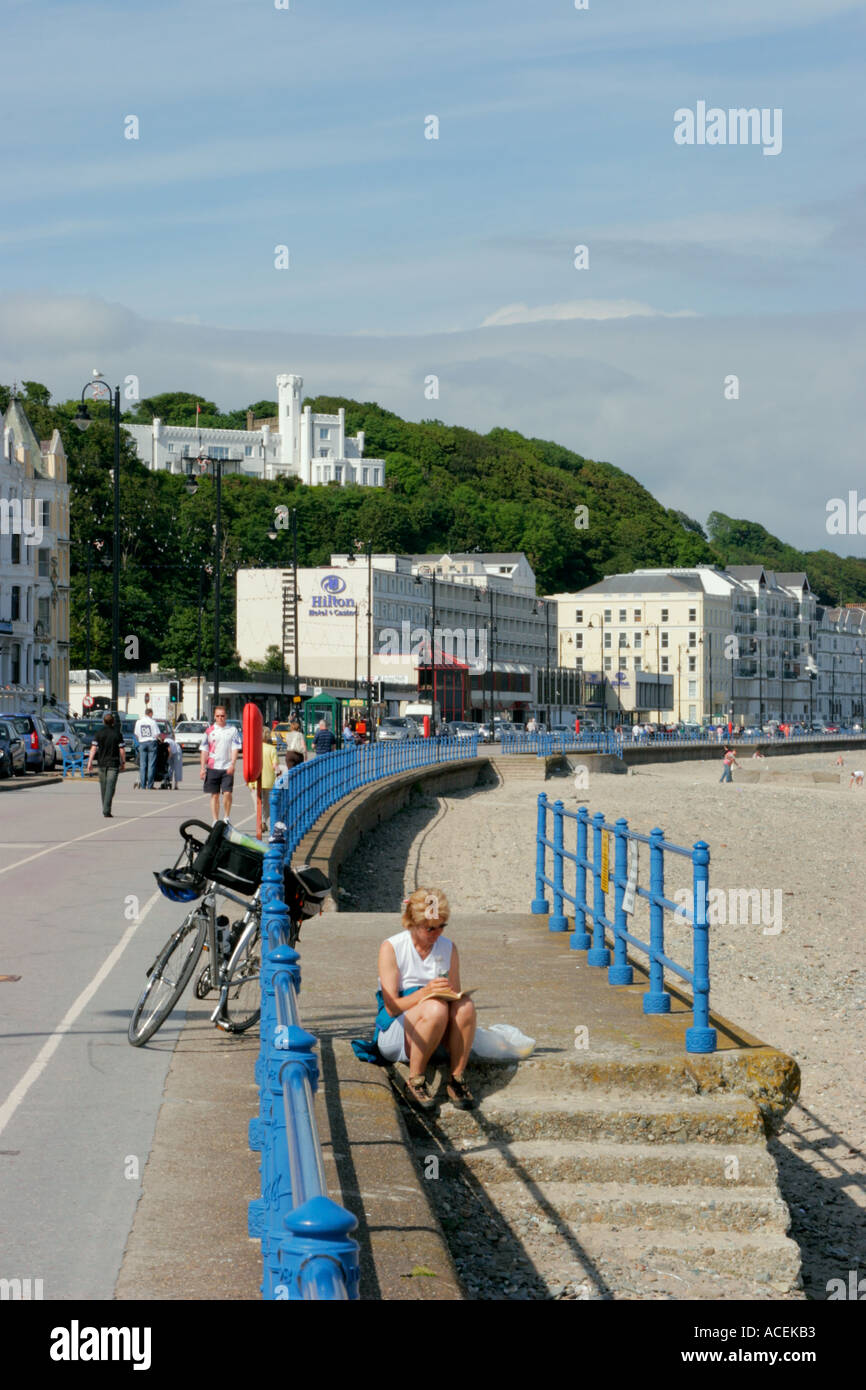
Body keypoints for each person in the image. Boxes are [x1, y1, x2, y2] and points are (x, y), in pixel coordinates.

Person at [374, 888, 477, 1112]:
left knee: (465, 1006)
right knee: (435, 1008)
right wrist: (425, 992)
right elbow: (392, 1007)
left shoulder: (448, 947)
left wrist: (454, 996)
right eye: (430, 928)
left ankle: (456, 1078)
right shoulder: (392, 947)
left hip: (434, 1028)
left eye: (442, 926)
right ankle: (415, 1079)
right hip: (398, 1029)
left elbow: (455, 997)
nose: (437, 933)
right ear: (412, 922)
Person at [199, 705, 242, 823]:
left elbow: (235, 748)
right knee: (215, 795)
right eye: (218, 716)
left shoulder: (232, 730)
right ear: (214, 716)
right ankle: (215, 820)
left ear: (226, 716)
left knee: (227, 793)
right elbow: (204, 750)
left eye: (222, 716)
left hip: (227, 767)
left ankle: (226, 817)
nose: (220, 718)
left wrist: (233, 764)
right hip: (213, 767)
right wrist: (202, 768)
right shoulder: (209, 731)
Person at [86, 712, 126, 817]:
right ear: (113, 722)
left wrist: (89, 762)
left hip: (101, 763)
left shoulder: (99, 733)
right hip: (113, 763)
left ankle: (106, 807)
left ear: (103, 722)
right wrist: (123, 762)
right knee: (110, 787)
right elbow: (122, 750)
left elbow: (93, 748)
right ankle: (106, 809)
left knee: (104, 787)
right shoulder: (117, 733)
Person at [248, 727, 280, 831]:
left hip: (255, 780)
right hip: (269, 781)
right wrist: (278, 773)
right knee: (267, 803)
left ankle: (261, 822)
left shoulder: (253, 748)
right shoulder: (271, 749)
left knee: (257, 802)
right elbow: (275, 766)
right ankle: (267, 821)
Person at [134, 706, 160, 790]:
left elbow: (136, 734)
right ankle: (150, 785)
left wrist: (140, 740)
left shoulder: (138, 722)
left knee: (142, 765)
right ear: (150, 713)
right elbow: (157, 734)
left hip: (142, 743)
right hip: (151, 742)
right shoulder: (153, 722)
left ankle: (142, 785)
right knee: (151, 765)